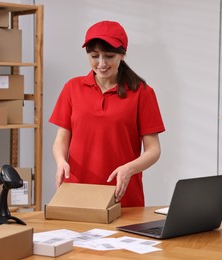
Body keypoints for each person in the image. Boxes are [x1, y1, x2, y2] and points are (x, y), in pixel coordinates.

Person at [49, 20, 165, 207]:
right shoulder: (72, 88)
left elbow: (153, 150)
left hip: (121, 195)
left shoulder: (142, 92)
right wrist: (61, 161)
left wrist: (129, 169)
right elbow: (61, 140)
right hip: (76, 193)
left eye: (109, 56)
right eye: (95, 56)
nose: (101, 63)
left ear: (122, 55)